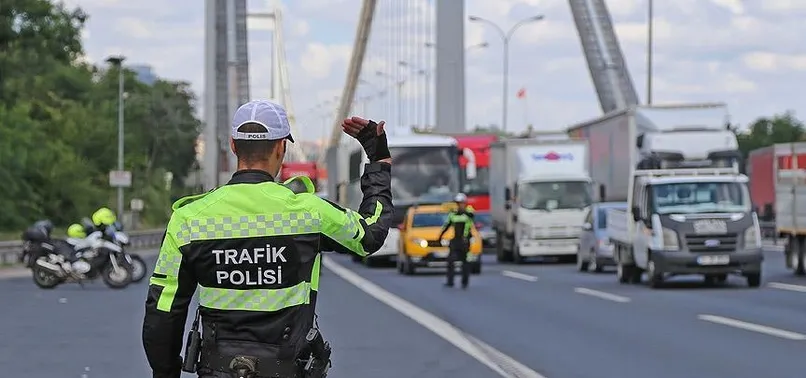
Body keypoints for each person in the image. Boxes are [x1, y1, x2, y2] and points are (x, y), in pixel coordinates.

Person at [141, 99, 394, 378]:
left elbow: (163, 310)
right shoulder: (309, 213)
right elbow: (370, 235)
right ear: (281, 147)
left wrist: (165, 372)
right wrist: (378, 161)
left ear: (234, 146)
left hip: (218, 370)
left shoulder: (188, 219)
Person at [438, 193, 475, 289]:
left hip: (465, 241)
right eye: (458, 203)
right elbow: (446, 226)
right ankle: (450, 281)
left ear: (465, 203)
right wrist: (440, 237)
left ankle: (464, 282)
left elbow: (472, 216)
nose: (460, 205)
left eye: (461, 203)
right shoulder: (453, 214)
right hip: (455, 241)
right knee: (450, 260)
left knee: (465, 262)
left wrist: (464, 211)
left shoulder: (468, 213)